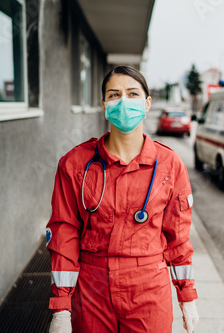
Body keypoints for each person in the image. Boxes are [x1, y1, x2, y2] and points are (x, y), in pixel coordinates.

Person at [46, 65, 199, 333]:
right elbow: (64, 233)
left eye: (132, 93)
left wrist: (187, 296)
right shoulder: (75, 164)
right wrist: (61, 306)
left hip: (149, 289)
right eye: (114, 95)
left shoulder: (170, 165)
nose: (123, 102)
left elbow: (178, 237)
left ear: (147, 103)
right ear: (104, 104)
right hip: (92, 289)